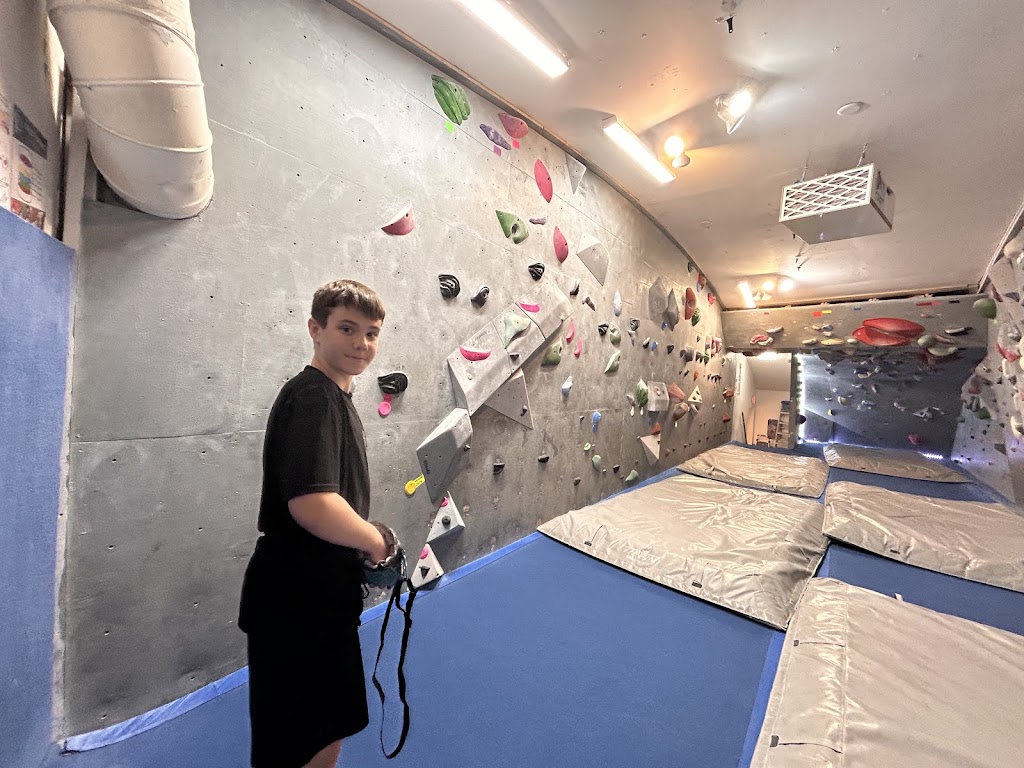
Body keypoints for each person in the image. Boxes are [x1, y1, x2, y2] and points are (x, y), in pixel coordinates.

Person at [238, 279, 396, 768]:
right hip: (298, 599)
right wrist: (375, 541)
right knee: (302, 741)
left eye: (371, 333)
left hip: (315, 595)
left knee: (322, 730)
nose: (361, 343)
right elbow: (312, 503)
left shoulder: (333, 397)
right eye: (347, 328)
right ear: (315, 328)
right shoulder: (314, 397)